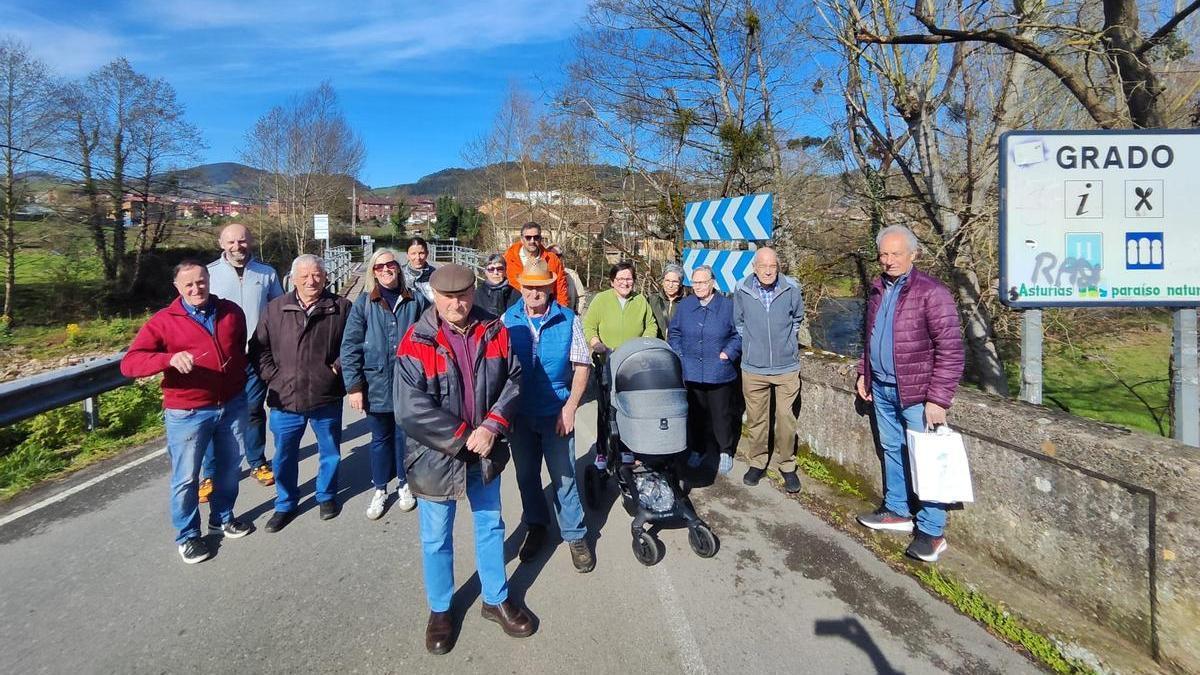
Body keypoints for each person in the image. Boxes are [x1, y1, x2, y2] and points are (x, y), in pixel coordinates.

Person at [395, 263, 533, 655]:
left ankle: (495, 598)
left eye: (463, 295)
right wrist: (462, 436)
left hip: (485, 450)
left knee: (490, 526)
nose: (457, 304)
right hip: (437, 457)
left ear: (474, 292)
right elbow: (409, 407)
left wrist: (492, 426)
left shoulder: (495, 330)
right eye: (448, 297)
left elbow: (515, 378)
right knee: (436, 537)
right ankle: (441, 609)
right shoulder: (416, 339)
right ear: (434, 297)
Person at [120, 261, 253, 564]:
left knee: (230, 469)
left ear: (209, 280)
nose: (197, 289)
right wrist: (167, 359)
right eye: (189, 285)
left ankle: (222, 518)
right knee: (186, 478)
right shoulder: (163, 321)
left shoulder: (231, 311)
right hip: (188, 411)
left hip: (231, 404)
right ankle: (188, 536)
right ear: (177, 288)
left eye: (201, 282)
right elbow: (130, 363)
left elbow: (239, 351)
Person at [854, 225, 965, 563]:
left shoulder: (932, 293)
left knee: (927, 459)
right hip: (883, 388)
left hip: (917, 393)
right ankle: (897, 510)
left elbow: (951, 349)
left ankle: (932, 532)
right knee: (891, 449)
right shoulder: (878, 289)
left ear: (913, 255)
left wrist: (938, 399)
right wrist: (864, 371)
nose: (888, 260)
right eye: (884, 254)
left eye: (896, 254)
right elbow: (872, 336)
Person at [501, 259, 594, 573]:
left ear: (550, 287)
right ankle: (537, 526)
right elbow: (497, 368)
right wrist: (503, 411)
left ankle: (575, 535)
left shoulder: (568, 319)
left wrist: (570, 409)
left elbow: (582, 366)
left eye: (540, 286)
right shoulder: (508, 319)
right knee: (526, 477)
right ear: (521, 288)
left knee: (564, 477)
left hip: (556, 413)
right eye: (529, 286)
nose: (534, 292)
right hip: (520, 415)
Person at [251, 254, 352, 532]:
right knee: (284, 454)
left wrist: (336, 370)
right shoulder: (275, 308)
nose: (311, 280)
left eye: (317, 274)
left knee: (329, 450)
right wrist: (274, 376)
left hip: (325, 394)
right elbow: (259, 349)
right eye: (305, 275)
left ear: (326, 277)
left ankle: (326, 496)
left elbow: (353, 344)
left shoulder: (341, 307)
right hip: (285, 397)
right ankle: (285, 503)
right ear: (292, 279)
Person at [197, 223, 284, 505]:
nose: (238, 247)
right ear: (221, 244)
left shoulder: (267, 273)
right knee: (215, 415)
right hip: (221, 357)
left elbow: (279, 310)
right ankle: (210, 473)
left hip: (256, 354)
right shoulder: (208, 274)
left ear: (251, 242)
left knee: (253, 410)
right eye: (232, 242)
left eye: (243, 241)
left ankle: (257, 461)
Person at [341, 247, 425, 520]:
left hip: (408, 383)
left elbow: (431, 334)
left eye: (391, 265)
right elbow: (350, 346)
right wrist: (354, 387)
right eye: (380, 267)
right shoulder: (365, 303)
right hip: (376, 383)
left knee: (405, 439)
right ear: (373, 272)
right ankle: (380, 488)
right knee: (380, 440)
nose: (387, 270)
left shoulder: (415, 300)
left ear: (399, 268)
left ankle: (404, 484)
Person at [733, 247, 805, 494]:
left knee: (785, 418)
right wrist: (754, 347)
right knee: (756, 420)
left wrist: (785, 345)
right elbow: (739, 323)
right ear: (754, 267)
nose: (767, 271)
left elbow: (797, 319)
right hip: (753, 368)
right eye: (763, 266)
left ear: (778, 266)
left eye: (772, 266)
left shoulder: (791, 288)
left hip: (786, 367)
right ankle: (757, 463)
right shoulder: (742, 289)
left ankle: (787, 466)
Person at [582, 260, 658, 469]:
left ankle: (627, 449)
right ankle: (601, 451)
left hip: (633, 365)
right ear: (612, 281)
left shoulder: (640, 300)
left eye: (629, 279)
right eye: (621, 279)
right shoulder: (601, 300)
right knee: (606, 409)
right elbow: (589, 326)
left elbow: (650, 325)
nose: (625, 283)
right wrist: (596, 343)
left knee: (630, 409)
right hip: (607, 362)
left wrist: (645, 342)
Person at [668, 264, 741, 476]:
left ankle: (725, 450)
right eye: (695, 282)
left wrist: (727, 353)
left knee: (722, 415)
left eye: (702, 282)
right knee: (695, 415)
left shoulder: (728, 306)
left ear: (712, 283)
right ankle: (698, 449)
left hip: (718, 371)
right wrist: (680, 352)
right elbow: (674, 332)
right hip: (690, 370)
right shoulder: (686, 305)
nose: (698, 286)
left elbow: (739, 334)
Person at [503, 222, 569, 307]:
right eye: (528, 237)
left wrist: (561, 312)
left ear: (540, 238)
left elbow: (560, 289)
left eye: (536, 237)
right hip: (515, 309)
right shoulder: (509, 258)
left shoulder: (552, 259)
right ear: (522, 239)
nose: (532, 241)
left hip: (544, 310)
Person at [649, 263, 691, 339]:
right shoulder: (652, 301)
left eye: (675, 282)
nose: (670, 285)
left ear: (680, 283)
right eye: (667, 280)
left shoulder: (689, 302)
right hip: (658, 346)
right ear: (663, 281)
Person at [547, 244, 587, 314]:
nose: (555, 258)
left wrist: (576, 314)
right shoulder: (543, 277)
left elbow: (581, 297)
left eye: (558, 255)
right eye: (552, 256)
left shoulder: (572, 275)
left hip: (568, 315)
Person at [476, 253, 518, 317]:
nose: (496, 273)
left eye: (500, 269)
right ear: (485, 272)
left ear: (505, 270)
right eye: (491, 269)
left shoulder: (515, 294)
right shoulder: (477, 294)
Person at [403, 236, 436, 303]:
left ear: (427, 254)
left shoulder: (436, 274)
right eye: (413, 253)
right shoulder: (399, 275)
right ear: (407, 255)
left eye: (421, 253)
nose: (418, 257)